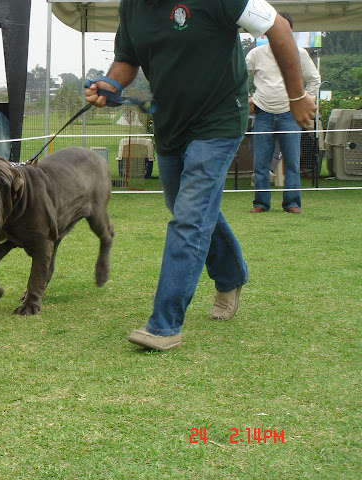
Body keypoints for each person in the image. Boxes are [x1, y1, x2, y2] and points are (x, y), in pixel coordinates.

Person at [84, 0, 316, 351]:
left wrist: (297, 95)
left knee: (189, 216)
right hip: (169, 121)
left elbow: (279, 28)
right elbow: (127, 59)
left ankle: (164, 325)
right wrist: (111, 84)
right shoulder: (131, 5)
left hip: (220, 118)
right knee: (186, 205)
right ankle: (231, 275)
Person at [247, 12, 321, 214]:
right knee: (260, 163)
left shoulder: (299, 53)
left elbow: (314, 79)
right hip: (263, 114)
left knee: (292, 162)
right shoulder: (256, 54)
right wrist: (245, 97)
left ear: (290, 31)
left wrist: (306, 100)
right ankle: (260, 203)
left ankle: (292, 203)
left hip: (290, 114)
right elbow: (238, 74)